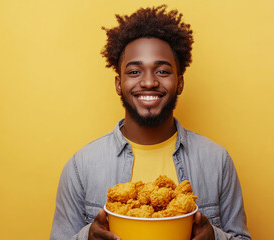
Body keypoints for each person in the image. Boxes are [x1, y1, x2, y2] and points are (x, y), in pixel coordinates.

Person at [50, 5, 251, 240]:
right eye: (134, 72)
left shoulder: (217, 161)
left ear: (180, 82)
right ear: (118, 83)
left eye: (163, 71)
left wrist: (214, 237)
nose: (148, 82)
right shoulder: (80, 167)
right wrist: (88, 237)